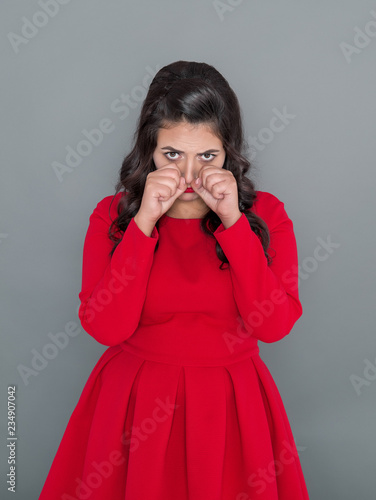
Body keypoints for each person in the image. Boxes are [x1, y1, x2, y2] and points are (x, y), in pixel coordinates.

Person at [39, 60, 310, 499]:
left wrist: (233, 224)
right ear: (149, 148)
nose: (189, 175)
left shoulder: (267, 217)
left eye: (207, 155)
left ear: (229, 152)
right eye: (172, 155)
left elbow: (274, 326)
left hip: (230, 407)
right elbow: (106, 328)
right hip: (131, 404)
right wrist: (143, 222)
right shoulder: (112, 216)